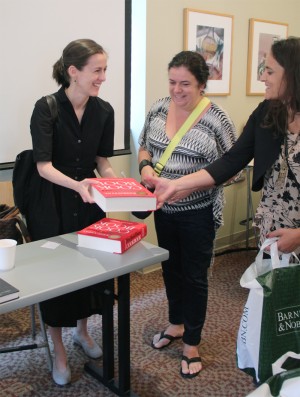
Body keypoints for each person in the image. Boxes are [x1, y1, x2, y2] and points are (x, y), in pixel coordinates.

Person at [146, 37, 300, 255]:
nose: (262, 77)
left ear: (293, 74)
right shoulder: (267, 112)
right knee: (273, 288)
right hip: (274, 228)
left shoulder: (217, 116)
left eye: (270, 71)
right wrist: (177, 185)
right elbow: (231, 161)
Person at [138, 51, 238, 378]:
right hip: (163, 210)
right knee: (171, 270)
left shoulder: (216, 120)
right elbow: (144, 146)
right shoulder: (158, 107)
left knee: (195, 277)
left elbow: (233, 170)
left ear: (202, 85)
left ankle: (192, 342)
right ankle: (175, 324)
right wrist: (146, 167)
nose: (177, 90)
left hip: (199, 215)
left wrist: (189, 186)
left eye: (185, 84)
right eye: (172, 82)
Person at [26, 39, 117, 385]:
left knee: (90, 270)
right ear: (73, 72)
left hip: (90, 201)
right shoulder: (46, 108)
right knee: (55, 277)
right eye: (98, 70)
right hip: (53, 202)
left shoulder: (104, 110)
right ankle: (59, 349)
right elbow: (43, 166)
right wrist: (78, 185)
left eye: (105, 70)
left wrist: (118, 184)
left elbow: (102, 163)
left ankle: (83, 331)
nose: (103, 77)